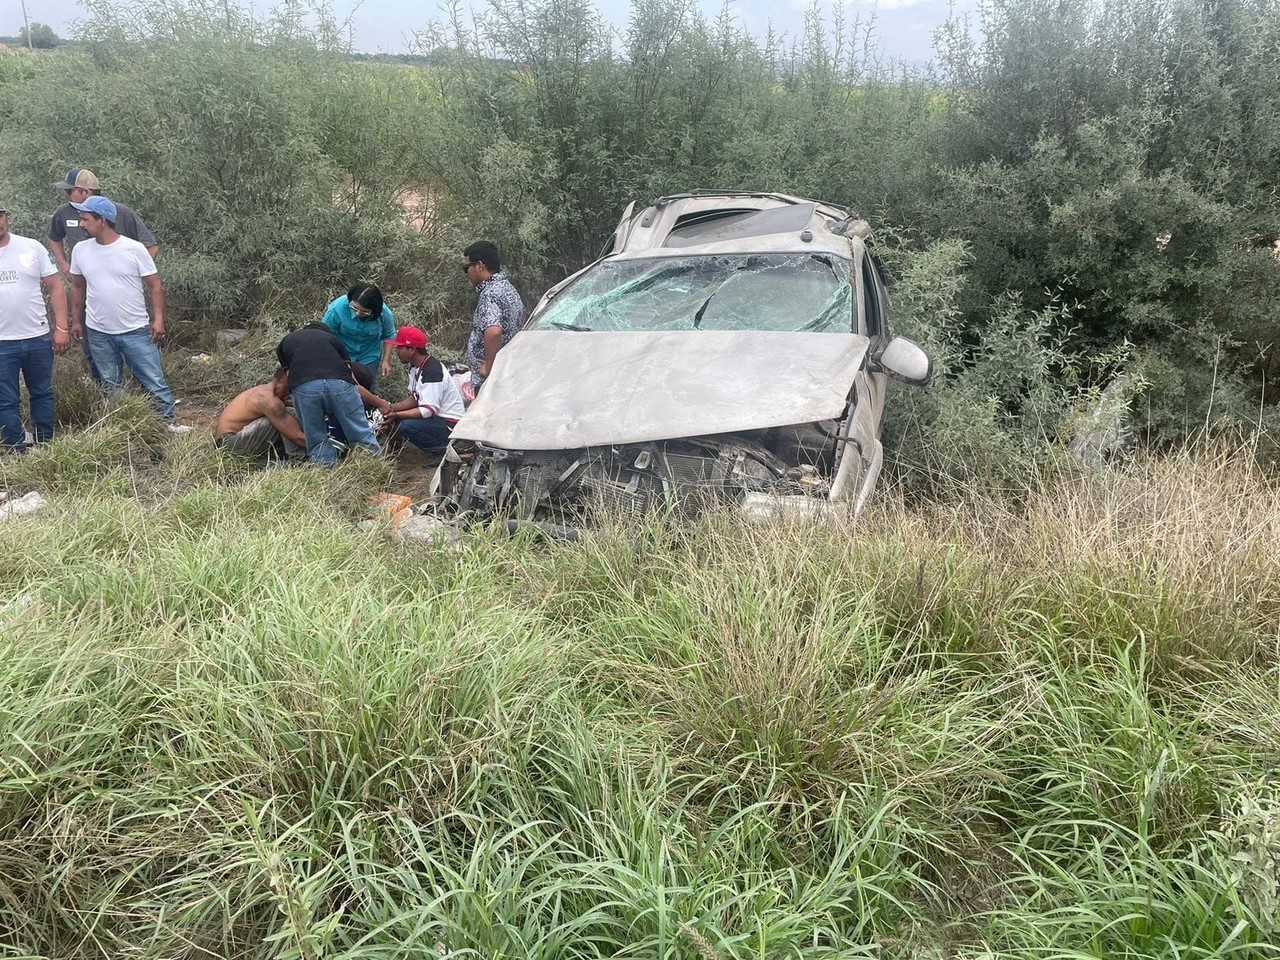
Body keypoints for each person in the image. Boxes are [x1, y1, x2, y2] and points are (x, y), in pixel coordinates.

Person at [68, 196, 190, 433]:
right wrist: (76, 321)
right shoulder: (80, 251)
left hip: (134, 329)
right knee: (110, 382)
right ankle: (123, 424)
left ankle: (167, 423)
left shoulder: (133, 249)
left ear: (102, 220)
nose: (81, 224)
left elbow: (155, 284)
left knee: (153, 379)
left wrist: (158, 319)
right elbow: (77, 286)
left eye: (85, 219)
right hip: (98, 330)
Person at [48, 167, 159, 384]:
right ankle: (106, 396)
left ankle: (146, 402)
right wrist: (63, 263)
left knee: (141, 359)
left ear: (85, 192)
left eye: (69, 191)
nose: (65, 195)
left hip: (124, 305)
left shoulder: (118, 212)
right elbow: (53, 237)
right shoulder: (63, 212)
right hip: (87, 297)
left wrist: (127, 273)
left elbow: (150, 246)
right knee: (95, 352)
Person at [0, 205, 70, 451]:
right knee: (6, 400)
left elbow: (55, 286)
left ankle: (45, 444)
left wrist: (62, 328)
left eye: (1, 215)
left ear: (7, 217)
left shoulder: (31, 247)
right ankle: (15, 449)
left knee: (41, 393)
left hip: (37, 337)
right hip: (2, 342)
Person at [275, 322, 380, 466]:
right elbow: (351, 378)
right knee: (359, 430)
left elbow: (289, 375)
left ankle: (327, 473)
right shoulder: (333, 340)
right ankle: (375, 467)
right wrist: (380, 402)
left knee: (316, 436)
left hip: (305, 385)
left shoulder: (287, 341)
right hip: (340, 383)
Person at [379, 325, 465, 466]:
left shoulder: (432, 371)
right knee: (396, 417)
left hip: (450, 425)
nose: (396, 351)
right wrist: (392, 408)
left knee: (406, 426)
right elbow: (415, 398)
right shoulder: (416, 366)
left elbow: (427, 410)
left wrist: (397, 414)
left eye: (400, 347)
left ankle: (443, 450)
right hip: (439, 419)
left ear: (412, 350)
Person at [462, 240, 524, 394]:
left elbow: (494, 331)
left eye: (466, 267)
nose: (466, 273)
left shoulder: (489, 294)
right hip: (507, 373)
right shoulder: (507, 287)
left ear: (480, 265)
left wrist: (489, 366)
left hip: (490, 384)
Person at [214, 366, 306, 460]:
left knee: (286, 413)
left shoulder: (265, 391)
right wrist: (319, 443)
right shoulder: (267, 400)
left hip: (228, 441)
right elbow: (296, 436)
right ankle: (298, 458)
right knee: (288, 415)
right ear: (284, 380)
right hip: (230, 445)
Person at [320, 283, 395, 388]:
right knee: (340, 386)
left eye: (364, 312)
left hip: (369, 354)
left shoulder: (384, 314)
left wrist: (386, 361)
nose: (358, 313)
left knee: (366, 387)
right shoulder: (337, 308)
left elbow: (389, 336)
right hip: (341, 353)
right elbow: (324, 333)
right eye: (354, 308)